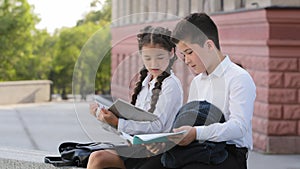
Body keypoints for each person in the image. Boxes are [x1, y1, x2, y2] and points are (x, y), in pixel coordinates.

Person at [138, 13, 256, 169]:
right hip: (197, 148)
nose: (186, 61)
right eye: (183, 55)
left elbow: (239, 127)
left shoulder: (238, 78)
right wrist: (166, 141)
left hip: (229, 154)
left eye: (189, 52)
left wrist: (195, 133)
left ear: (209, 46)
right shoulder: (197, 82)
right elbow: (190, 122)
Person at [87, 25, 183, 169]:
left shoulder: (171, 85)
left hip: (159, 151)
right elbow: (133, 126)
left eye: (160, 57)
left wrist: (117, 122)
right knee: (95, 156)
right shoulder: (145, 83)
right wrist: (105, 117)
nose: (153, 64)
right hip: (139, 147)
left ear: (171, 53)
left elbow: (158, 127)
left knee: (98, 158)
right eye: (147, 58)